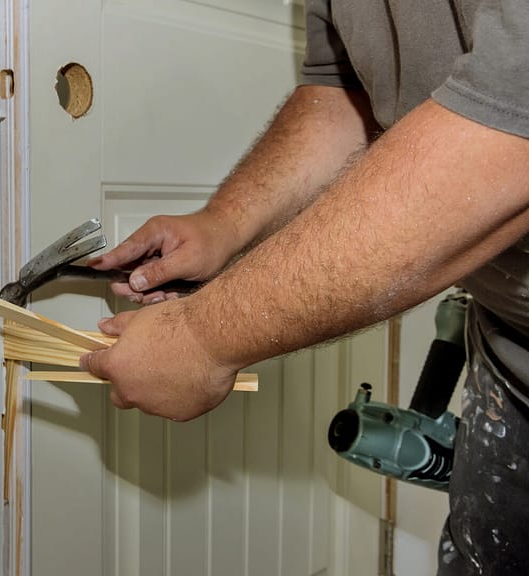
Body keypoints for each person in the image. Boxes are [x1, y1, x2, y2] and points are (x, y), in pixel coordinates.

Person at [78, 2, 529, 574]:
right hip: (509, 355)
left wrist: (202, 337)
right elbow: (345, 94)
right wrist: (226, 222)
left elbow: (508, 132)